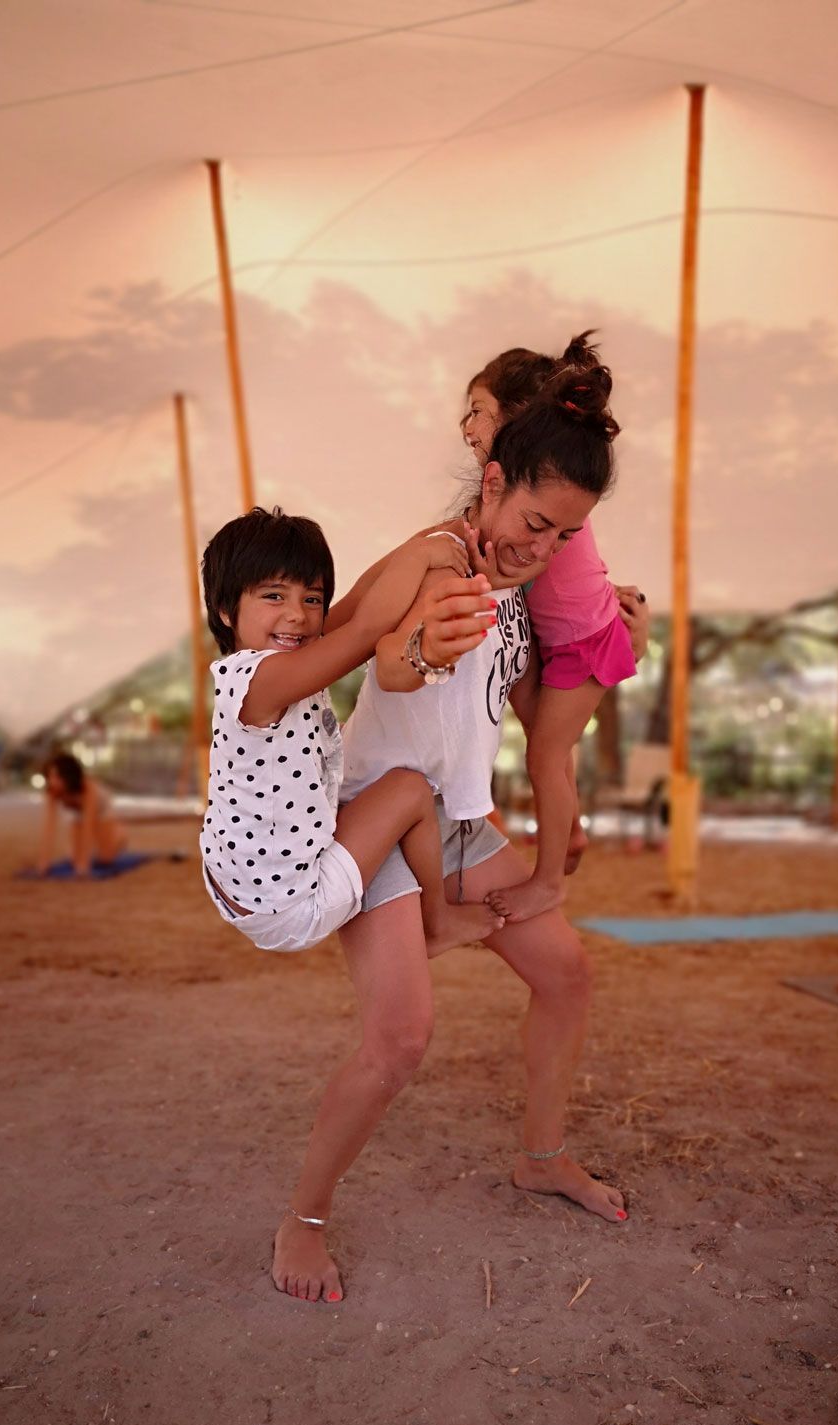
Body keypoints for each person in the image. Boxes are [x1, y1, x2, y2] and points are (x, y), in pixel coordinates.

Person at [272, 355, 628, 1306]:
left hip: (460, 823)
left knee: (567, 974)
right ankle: (304, 1217)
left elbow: (527, 707)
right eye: (535, 522)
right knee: (401, 1039)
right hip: (380, 813)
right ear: (494, 482)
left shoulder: (519, 580)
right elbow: (378, 654)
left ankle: (541, 1157)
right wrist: (421, 650)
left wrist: (611, 632)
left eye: (566, 536)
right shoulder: (439, 557)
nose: (542, 547)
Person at [198, 507, 503, 956]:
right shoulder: (259, 680)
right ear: (226, 610)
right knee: (411, 789)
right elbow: (366, 628)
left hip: (239, 878)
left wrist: (429, 538)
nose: (297, 615)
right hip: (292, 905)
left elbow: (361, 598)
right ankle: (437, 922)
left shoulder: (288, 659)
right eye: (274, 596)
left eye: (312, 599)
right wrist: (422, 555)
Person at [461, 333, 649, 923]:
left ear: (517, 419)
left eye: (478, 411)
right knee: (547, 741)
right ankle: (569, 835)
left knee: (544, 756)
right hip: (564, 635)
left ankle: (548, 883)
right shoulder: (519, 489)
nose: (466, 428)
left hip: (585, 641)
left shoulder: (547, 491)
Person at [36, 751, 128, 876]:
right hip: (77, 813)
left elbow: (88, 826)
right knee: (74, 859)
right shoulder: (51, 792)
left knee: (106, 858)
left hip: (101, 810)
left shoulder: (88, 788)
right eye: (50, 776)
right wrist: (44, 861)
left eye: (57, 777)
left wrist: (84, 863)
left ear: (68, 776)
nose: (52, 781)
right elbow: (49, 827)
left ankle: (119, 834)